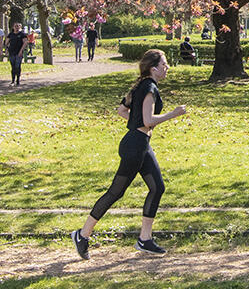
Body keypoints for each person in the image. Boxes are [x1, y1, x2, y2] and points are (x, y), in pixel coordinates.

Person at [71, 49, 187, 258]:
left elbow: (122, 111)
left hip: (140, 143)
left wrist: (136, 125)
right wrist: (174, 114)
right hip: (135, 146)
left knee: (157, 187)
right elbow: (148, 120)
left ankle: (145, 239)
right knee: (116, 192)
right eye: (164, 65)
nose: (166, 68)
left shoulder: (139, 85)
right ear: (154, 68)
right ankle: (83, 234)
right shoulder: (150, 88)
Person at [6, 21, 28, 85]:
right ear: (13, 27)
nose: (17, 28)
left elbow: (25, 42)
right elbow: (6, 43)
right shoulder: (11, 34)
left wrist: (21, 51)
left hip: (18, 52)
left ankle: (18, 80)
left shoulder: (22, 35)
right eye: (15, 26)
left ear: (20, 27)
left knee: (17, 66)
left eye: (18, 26)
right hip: (12, 52)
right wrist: (6, 49)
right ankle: (13, 80)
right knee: (13, 66)